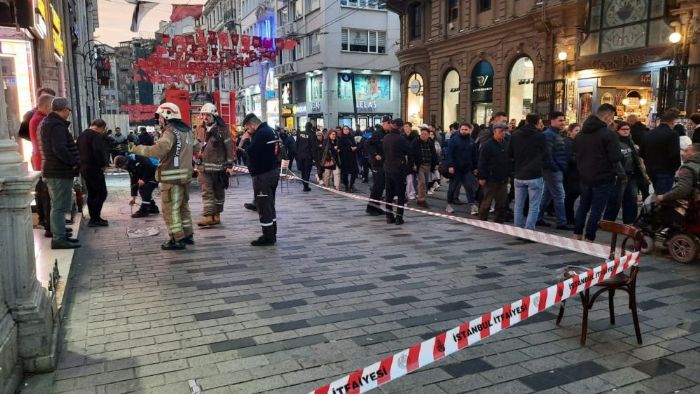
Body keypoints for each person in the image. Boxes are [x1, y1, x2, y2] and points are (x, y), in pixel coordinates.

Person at [133, 103, 196, 250]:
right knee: (183, 207)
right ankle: (187, 235)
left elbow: (159, 150)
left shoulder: (170, 132)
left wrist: (134, 148)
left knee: (170, 209)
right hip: (185, 177)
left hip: (171, 178)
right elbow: (197, 147)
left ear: (167, 116)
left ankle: (176, 239)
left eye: (161, 116)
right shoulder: (187, 131)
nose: (159, 120)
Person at [573, 103, 622, 242]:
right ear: (607, 116)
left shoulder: (581, 134)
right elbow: (615, 157)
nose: (612, 120)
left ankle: (577, 234)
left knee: (583, 206)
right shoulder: (608, 134)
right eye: (611, 117)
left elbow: (575, 152)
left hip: (584, 176)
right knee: (596, 209)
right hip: (603, 177)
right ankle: (589, 237)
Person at [40, 97, 80, 249]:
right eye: (69, 110)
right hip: (58, 172)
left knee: (59, 205)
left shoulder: (51, 123)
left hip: (55, 171)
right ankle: (59, 238)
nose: (69, 113)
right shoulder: (56, 125)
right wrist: (74, 162)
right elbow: (60, 149)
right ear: (64, 110)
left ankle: (60, 233)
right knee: (59, 206)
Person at [241, 113, 280, 246]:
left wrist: (245, 140)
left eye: (247, 128)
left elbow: (251, 152)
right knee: (269, 204)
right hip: (272, 171)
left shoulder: (261, 133)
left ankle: (268, 236)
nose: (247, 131)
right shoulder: (270, 130)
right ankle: (272, 232)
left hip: (263, 175)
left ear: (252, 124)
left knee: (263, 206)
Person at [195, 103, 235, 227]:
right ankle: (208, 216)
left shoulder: (222, 130)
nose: (205, 117)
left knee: (219, 193)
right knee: (206, 192)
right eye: (203, 114)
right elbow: (196, 146)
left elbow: (229, 148)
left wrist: (229, 165)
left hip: (219, 169)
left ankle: (216, 215)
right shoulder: (199, 129)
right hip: (203, 168)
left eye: (208, 114)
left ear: (214, 115)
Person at [508, 113, 549, 230]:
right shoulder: (540, 136)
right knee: (534, 206)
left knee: (518, 205)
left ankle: (518, 229)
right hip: (535, 174)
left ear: (526, 121)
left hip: (519, 173)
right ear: (537, 123)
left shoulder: (515, 135)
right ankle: (529, 230)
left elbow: (509, 154)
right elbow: (546, 155)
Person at [603, 122, 646, 224]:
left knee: (631, 199)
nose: (626, 131)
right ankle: (608, 221)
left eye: (627, 129)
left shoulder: (630, 141)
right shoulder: (615, 142)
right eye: (623, 129)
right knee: (615, 200)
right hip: (620, 175)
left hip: (632, 174)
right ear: (618, 130)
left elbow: (635, 158)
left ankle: (629, 221)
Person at [537, 111, 573, 230]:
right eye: (560, 120)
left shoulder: (557, 134)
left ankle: (538, 217)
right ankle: (561, 222)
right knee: (559, 196)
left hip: (556, 169)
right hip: (552, 170)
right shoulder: (549, 135)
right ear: (552, 121)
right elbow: (547, 155)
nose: (563, 123)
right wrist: (555, 168)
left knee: (547, 195)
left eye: (563, 120)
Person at [640, 109, 681, 195]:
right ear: (672, 122)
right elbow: (675, 154)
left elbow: (641, 153)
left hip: (651, 170)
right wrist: (676, 168)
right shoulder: (672, 134)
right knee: (663, 197)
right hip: (666, 170)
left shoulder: (649, 133)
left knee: (658, 194)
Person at [77, 119, 110, 227]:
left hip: (84, 168)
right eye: (103, 129)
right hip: (94, 168)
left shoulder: (81, 135)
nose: (103, 132)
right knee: (101, 193)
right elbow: (98, 151)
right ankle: (95, 218)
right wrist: (102, 164)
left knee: (92, 193)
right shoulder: (95, 136)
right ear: (100, 127)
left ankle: (94, 217)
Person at [29, 94, 54, 236]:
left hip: (40, 161)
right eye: (52, 107)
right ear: (46, 106)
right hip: (42, 162)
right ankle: (50, 226)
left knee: (45, 194)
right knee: (47, 196)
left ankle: (50, 224)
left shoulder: (37, 118)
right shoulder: (41, 120)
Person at [477, 123, 510, 223]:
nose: (503, 133)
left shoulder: (506, 143)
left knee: (502, 202)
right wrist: (482, 177)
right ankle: (482, 220)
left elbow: (509, 159)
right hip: (490, 178)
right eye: (501, 131)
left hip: (503, 177)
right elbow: (482, 162)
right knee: (487, 201)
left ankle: (499, 221)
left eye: (504, 131)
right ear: (494, 132)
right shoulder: (487, 145)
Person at [383, 118, 412, 225]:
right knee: (400, 195)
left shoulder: (386, 137)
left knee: (389, 193)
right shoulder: (401, 139)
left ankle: (389, 217)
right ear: (401, 127)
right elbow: (409, 152)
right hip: (399, 169)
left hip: (387, 167)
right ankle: (399, 218)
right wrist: (409, 167)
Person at [445, 123, 478, 215]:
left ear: (469, 130)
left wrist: (475, 167)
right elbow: (449, 153)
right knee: (453, 187)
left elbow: (474, 155)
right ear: (460, 129)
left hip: (467, 169)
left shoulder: (471, 141)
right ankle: (448, 205)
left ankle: (472, 205)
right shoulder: (454, 140)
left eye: (466, 129)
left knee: (469, 186)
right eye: (462, 129)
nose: (463, 131)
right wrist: (450, 165)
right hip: (456, 168)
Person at [365, 117, 390, 216]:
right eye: (388, 123)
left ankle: (377, 207)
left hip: (385, 163)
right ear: (384, 123)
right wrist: (375, 154)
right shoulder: (377, 133)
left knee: (381, 186)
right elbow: (367, 145)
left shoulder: (388, 134)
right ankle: (370, 208)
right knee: (378, 186)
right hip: (377, 164)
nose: (389, 125)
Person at [411, 126, 438, 208]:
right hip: (420, 165)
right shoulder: (415, 142)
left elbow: (433, 153)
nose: (423, 135)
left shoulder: (430, 142)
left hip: (428, 165)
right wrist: (414, 164)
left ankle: (422, 197)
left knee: (425, 182)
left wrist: (435, 164)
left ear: (428, 135)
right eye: (422, 134)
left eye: (425, 134)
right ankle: (421, 199)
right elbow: (412, 154)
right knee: (421, 182)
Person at [563, 123, 581, 225]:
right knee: (570, 196)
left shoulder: (577, 142)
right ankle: (568, 217)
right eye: (576, 130)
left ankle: (569, 217)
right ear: (570, 132)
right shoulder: (568, 143)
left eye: (579, 130)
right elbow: (568, 158)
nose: (578, 133)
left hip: (577, 173)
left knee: (571, 196)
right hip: (570, 174)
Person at [295, 122, 316, 191]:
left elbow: (296, 144)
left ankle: (304, 184)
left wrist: (297, 154)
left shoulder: (300, 134)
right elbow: (313, 147)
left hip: (300, 155)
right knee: (307, 171)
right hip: (308, 156)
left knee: (303, 171)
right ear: (311, 127)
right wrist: (314, 157)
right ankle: (305, 186)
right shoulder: (312, 135)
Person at [338, 126, 359, 192]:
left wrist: (355, 148)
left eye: (347, 129)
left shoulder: (351, 137)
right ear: (342, 130)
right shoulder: (341, 138)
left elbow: (355, 145)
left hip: (352, 157)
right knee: (345, 173)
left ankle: (351, 184)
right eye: (344, 129)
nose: (346, 130)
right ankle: (346, 186)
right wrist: (350, 148)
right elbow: (340, 148)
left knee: (355, 171)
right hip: (344, 158)